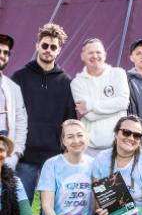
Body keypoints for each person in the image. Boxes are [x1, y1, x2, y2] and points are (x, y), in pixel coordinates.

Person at [12, 23, 76, 203]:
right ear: (37, 46)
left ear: (59, 50)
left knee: (52, 209)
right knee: (20, 208)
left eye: (53, 47)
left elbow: (70, 119)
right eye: (45, 45)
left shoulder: (66, 82)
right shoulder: (19, 77)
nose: (48, 50)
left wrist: (66, 151)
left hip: (54, 156)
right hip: (25, 155)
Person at [35, 119, 95, 215]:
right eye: (70, 137)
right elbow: (46, 206)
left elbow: (101, 202)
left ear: (87, 137)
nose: (76, 140)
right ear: (63, 141)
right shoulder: (52, 164)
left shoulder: (97, 165)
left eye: (80, 135)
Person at [71, 38, 130, 157]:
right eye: (90, 52)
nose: (95, 56)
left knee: (117, 177)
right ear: (82, 56)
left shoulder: (118, 74)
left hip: (117, 147)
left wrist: (90, 105)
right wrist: (115, 108)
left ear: (105, 55)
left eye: (98, 52)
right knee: (91, 177)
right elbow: (89, 116)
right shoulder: (77, 82)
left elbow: (123, 103)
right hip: (89, 150)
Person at [0, 34, 27, 170]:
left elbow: (21, 122)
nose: (2, 55)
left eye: (6, 53)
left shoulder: (13, 88)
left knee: (6, 191)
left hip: (6, 155)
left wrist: (15, 154)